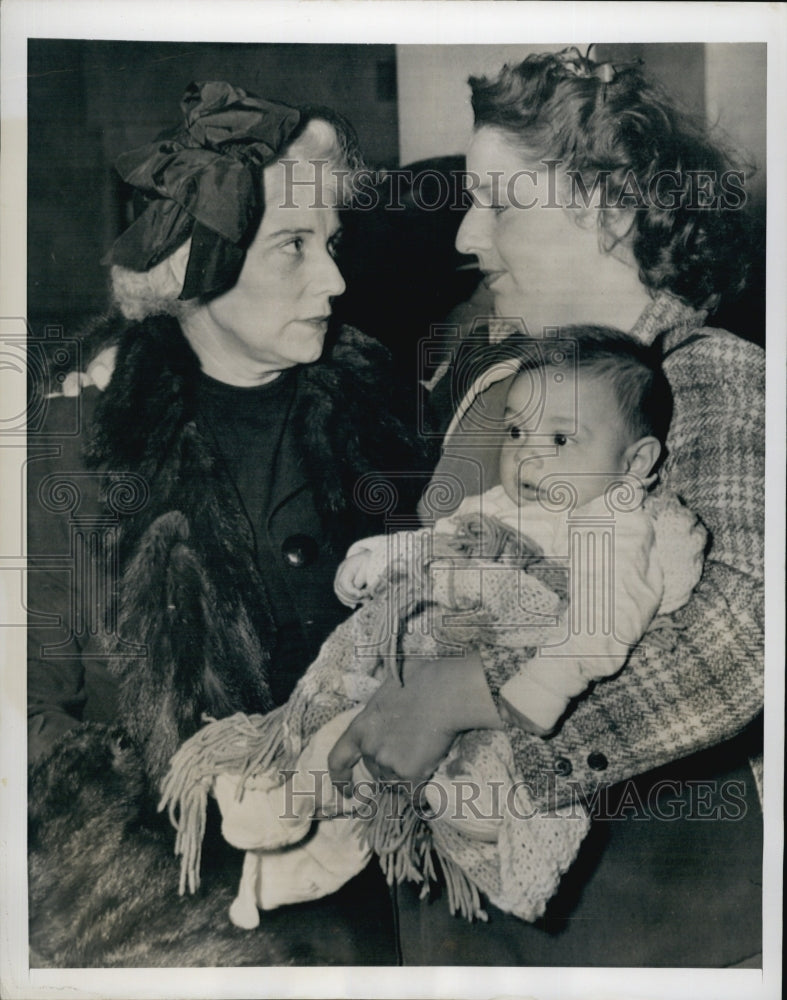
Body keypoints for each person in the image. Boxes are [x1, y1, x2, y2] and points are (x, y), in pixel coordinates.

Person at [325, 48, 764, 966]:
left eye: (500, 203)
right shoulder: (518, 383)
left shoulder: (708, 376)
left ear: (609, 211)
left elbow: (744, 633)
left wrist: (459, 697)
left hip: (644, 917)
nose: (465, 239)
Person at [26, 80, 429, 967]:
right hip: (178, 920)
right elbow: (26, 709)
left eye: (330, 241)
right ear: (195, 269)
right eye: (292, 245)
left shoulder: (386, 413)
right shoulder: (76, 442)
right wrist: (194, 814)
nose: (334, 277)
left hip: (384, 901)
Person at [162, 325, 706, 932]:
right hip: (436, 656)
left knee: (473, 781)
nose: (528, 455)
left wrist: (541, 689)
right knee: (351, 718)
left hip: (519, 694)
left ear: (635, 462)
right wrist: (379, 560)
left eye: (559, 438)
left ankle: (418, 816)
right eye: (517, 432)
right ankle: (285, 817)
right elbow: (436, 543)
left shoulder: (618, 525)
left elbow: (605, 624)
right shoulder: (502, 505)